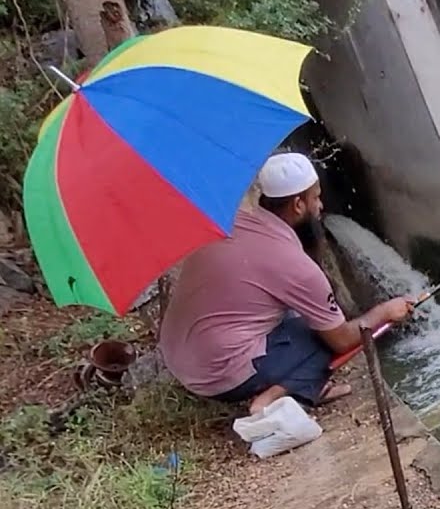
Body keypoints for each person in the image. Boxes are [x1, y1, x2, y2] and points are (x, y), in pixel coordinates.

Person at [159, 153, 414, 413]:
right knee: (322, 340)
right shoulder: (296, 267)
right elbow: (343, 340)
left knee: (302, 317)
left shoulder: (231, 222)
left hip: (178, 355)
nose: (321, 206)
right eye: (316, 198)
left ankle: (303, 385)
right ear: (298, 205)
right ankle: (274, 397)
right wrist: (385, 312)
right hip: (217, 375)